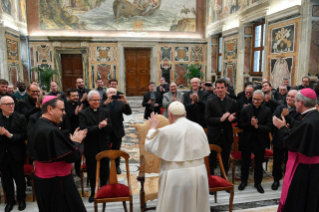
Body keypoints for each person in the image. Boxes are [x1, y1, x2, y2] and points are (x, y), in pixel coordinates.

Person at [145, 102, 210, 212]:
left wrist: (152, 128)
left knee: (176, 207)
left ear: (170, 115)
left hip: (177, 177)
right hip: (199, 175)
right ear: (185, 113)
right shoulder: (198, 127)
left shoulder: (166, 131)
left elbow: (149, 146)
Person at [27, 96, 87, 212]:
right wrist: (76, 142)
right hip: (58, 183)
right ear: (50, 109)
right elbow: (73, 156)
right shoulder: (51, 130)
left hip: (43, 182)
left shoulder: (38, 125)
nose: (64, 113)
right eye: (62, 110)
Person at [273, 88, 319, 212]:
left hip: (303, 169)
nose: (293, 103)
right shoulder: (314, 116)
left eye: (295, 100)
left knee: (298, 200)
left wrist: (281, 127)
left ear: (301, 103)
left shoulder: (308, 122)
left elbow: (290, 142)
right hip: (315, 168)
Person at [79, 90, 112, 203]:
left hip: (104, 145)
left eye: (99, 100)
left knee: (104, 170)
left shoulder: (105, 111)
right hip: (91, 146)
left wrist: (105, 126)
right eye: (94, 100)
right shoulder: (83, 113)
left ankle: (104, 190)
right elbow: (84, 129)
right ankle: (94, 192)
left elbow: (110, 128)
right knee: (92, 171)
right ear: (89, 101)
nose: (97, 102)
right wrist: (98, 126)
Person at [238, 90, 272, 193]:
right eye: (254, 99)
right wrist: (250, 124)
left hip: (260, 140)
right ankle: (243, 181)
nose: (255, 101)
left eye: (258, 99)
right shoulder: (245, 109)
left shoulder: (267, 111)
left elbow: (269, 127)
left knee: (258, 163)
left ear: (262, 99)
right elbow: (240, 125)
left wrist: (257, 126)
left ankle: (258, 183)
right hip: (247, 139)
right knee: (245, 162)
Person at [0, 96, 27, 212]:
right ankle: (10, 201)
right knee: (6, 179)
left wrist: (10, 135)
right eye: (7, 104)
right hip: (2, 154)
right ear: (1, 106)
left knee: (19, 179)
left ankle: (21, 199)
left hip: (17, 154)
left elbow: (25, 135)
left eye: (12, 103)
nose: (11, 106)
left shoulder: (20, 118)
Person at [205, 78, 236, 175]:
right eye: (218, 88)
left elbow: (236, 116)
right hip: (214, 135)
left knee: (225, 158)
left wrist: (233, 118)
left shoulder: (232, 102)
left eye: (222, 87)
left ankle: (224, 179)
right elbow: (207, 119)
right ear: (215, 89)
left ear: (226, 88)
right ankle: (211, 181)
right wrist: (220, 120)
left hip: (226, 135)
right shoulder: (210, 101)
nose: (220, 90)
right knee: (212, 160)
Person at [271, 90, 301, 191]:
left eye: (292, 97)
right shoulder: (280, 107)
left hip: (291, 141)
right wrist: (280, 125)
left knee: (289, 162)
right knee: (277, 161)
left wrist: (288, 125)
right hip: (279, 139)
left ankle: (288, 180)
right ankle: (276, 180)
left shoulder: (299, 109)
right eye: (288, 96)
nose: (289, 98)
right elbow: (274, 119)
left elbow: (299, 125)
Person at [101, 88, 132, 174]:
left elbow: (128, 112)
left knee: (117, 149)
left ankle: (116, 166)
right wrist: (105, 103)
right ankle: (106, 167)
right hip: (105, 130)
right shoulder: (102, 102)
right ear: (107, 94)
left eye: (114, 92)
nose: (112, 94)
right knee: (105, 149)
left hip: (117, 130)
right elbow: (98, 112)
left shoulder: (120, 102)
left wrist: (126, 102)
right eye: (110, 92)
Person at [65, 89, 83, 177]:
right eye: (73, 96)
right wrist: (74, 114)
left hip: (79, 130)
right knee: (68, 151)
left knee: (78, 150)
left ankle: (78, 169)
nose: (76, 97)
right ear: (68, 97)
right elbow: (65, 118)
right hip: (69, 131)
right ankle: (69, 170)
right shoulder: (64, 105)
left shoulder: (80, 104)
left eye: (77, 95)